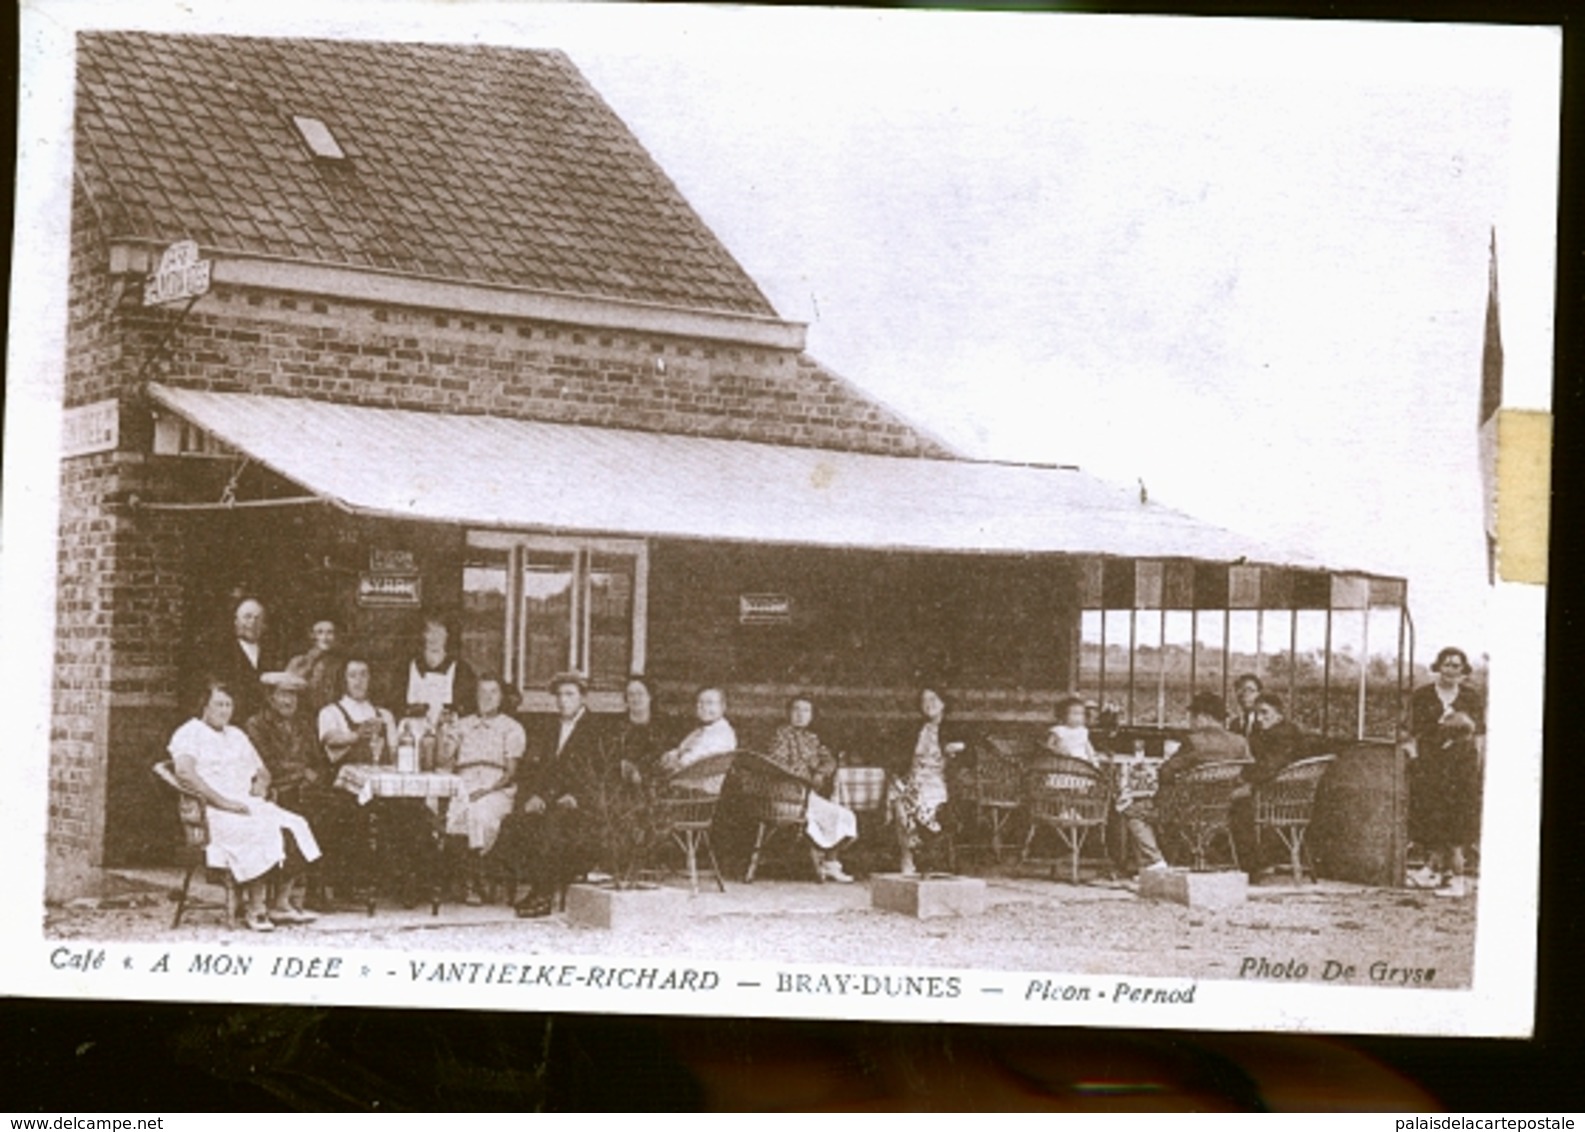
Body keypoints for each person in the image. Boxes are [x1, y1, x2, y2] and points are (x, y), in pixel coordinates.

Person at [170, 680, 322, 931]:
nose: (225, 710)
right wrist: (223, 802)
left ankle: (281, 904)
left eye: (229, 705)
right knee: (260, 829)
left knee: (296, 824)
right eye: (219, 704)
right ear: (204, 706)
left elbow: (262, 770)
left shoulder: (236, 734)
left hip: (246, 803)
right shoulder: (189, 733)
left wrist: (261, 784)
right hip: (212, 811)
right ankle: (256, 907)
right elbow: (185, 773)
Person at [493, 672, 608, 918]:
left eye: (570, 695)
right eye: (559, 695)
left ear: (582, 698)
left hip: (583, 807)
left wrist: (577, 797)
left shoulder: (597, 729)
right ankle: (512, 885)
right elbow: (543, 770)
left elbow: (602, 774)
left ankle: (542, 895)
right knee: (515, 822)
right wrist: (537, 796)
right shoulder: (550, 727)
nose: (563, 701)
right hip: (551, 800)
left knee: (552, 826)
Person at [244, 670, 357, 906]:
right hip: (277, 790)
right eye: (283, 695)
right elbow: (264, 762)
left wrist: (316, 775)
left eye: (293, 696)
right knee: (310, 812)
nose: (289, 701)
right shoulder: (256, 724)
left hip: (307, 788)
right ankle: (295, 890)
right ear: (270, 698)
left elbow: (317, 759)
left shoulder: (304, 724)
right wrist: (301, 772)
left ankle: (321, 886)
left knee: (345, 807)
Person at [1122, 692, 1253, 873]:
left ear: (1203, 716)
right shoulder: (1240, 742)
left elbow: (1166, 771)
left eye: (1193, 717)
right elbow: (1248, 773)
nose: (1191, 722)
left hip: (1186, 809)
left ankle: (1155, 862)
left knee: (1132, 811)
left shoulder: (1193, 741)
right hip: (1223, 810)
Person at [1405, 646, 1484, 898]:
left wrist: (1478, 763)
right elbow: (1412, 731)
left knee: (1457, 818)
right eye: (1447, 664)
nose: (1451, 670)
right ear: (1438, 666)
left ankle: (1457, 878)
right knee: (1433, 815)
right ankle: (1433, 869)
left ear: (1463, 670)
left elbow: (1478, 734)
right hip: (1432, 764)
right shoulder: (1423, 695)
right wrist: (1416, 756)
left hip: (1461, 765)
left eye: (1456, 665)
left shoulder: (1470, 697)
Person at [445, 674, 524, 902]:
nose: (487, 698)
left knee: (479, 812)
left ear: (501, 697)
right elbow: (445, 761)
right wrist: (446, 737)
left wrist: (487, 789)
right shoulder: (462, 724)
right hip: (463, 782)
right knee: (451, 811)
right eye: (482, 692)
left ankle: (474, 878)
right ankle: (469, 878)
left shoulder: (511, 728)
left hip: (495, 786)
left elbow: (510, 773)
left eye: (493, 692)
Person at [766, 695, 857, 883]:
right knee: (832, 815)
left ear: (812, 715)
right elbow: (777, 765)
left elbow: (829, 760)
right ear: (788, 713)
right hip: (786, 793)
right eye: (796, 710)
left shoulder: (812, 738)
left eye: (806, 711)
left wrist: (821, 773)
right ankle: (828, 862)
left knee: (845, 815)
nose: (800, 715)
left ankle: (831, 863)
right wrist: (806, 777)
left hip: (806, 794)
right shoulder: (780, 735)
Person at [887, 688, 968, 876]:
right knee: (898, 797)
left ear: (943, 703)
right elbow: (901, 755)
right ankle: (907, 854)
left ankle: (916, 851)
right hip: (914, 777)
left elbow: (970, 752)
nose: (928, 704)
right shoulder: (917, 729)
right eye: (924, 700)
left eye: (933, 699)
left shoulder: (953, 727)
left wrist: (959, 748)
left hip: (938, 779)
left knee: (912, 799)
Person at [202, 597, 281, 726]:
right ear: (236, 621)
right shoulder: (221, 652)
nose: (252, 622)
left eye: (258, 618)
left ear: (264, 624)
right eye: (247, 617)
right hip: (234, 722)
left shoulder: (271, 654)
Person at [318, 657, 398, 766]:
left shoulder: (385, 715)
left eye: (363, 675)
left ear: (370, 679)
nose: (358, 681)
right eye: (352, 675)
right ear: (344, 680)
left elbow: (394, 754)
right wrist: (357, 735)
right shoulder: (330, 712)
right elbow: (330, 739)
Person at [403, 616, 477, 725]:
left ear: (447, 636)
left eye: (439, 632)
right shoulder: (405, 669)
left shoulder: (462, 670)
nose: (434, 637)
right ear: (423, 635)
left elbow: (469, 709)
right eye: (429, 631)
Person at [657, 687, 738, 777]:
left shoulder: (722, 733)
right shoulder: (700, 730)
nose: (704, 708)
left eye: (709, 703)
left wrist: (674, 760)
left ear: (723, 707)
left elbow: (691, 763)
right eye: (700, 703)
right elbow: (678, 751)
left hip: (699, 787)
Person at [608, 675, 671, 774]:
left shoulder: (664, 725)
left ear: (650, 696)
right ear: (626, 699)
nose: (635, 698)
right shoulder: (616, 726)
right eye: (631, 694)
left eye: (640, 693)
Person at [287, 616, 347, 712]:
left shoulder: (340, 664)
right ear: (312, 636)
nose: (325, 638)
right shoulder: (299, 662)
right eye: (320, 632)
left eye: (330, 632)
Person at [1044, 694, 1101, 766]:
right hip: (1061, 762)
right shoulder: (1059, 730)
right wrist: (1057, 750)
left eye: (1081, 714)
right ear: (1063, 715)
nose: (1078, 717)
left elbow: (1088, 748)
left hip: (1081, 763)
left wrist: (1094, 762)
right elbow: (1048, 746)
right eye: (1075, 714)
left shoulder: (1083, 731)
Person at [1228, 674, 1263, 739]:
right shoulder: (1234, 724)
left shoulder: (1264, 722)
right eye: (1240, 691)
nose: (1245, 695)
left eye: (1250, 690)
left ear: (1259, 693)